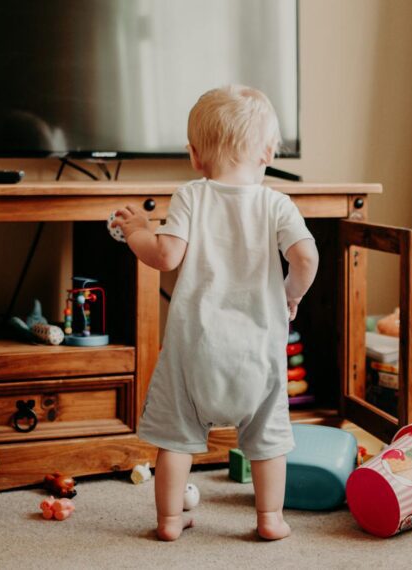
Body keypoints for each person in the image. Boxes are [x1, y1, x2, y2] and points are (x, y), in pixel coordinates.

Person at [111, 85, 319, 541]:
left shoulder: (191, 195)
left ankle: (169, 521)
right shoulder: (277, 203)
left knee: (177, 439)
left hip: (194, 350)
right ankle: (269, 519)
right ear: (268, 150)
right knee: (267, 443)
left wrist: (137, 230)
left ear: (195, 156)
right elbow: (306, 259)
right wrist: (291, 294)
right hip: (259, 352)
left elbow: (165, 257)